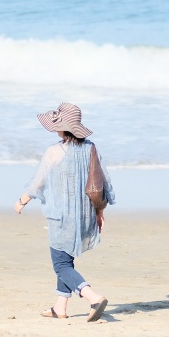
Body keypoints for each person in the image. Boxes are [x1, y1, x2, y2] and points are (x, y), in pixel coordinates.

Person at [14, 102, 115, 322]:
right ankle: (60, 307)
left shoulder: (54, 152)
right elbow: (101, 182)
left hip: (61, 217)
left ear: (63, 127)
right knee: (66, 261)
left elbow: (38, 182)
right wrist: (99, 212)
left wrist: (22, 201)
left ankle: (93, 297)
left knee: (60, 264)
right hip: (85, 214)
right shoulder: (91, 148)